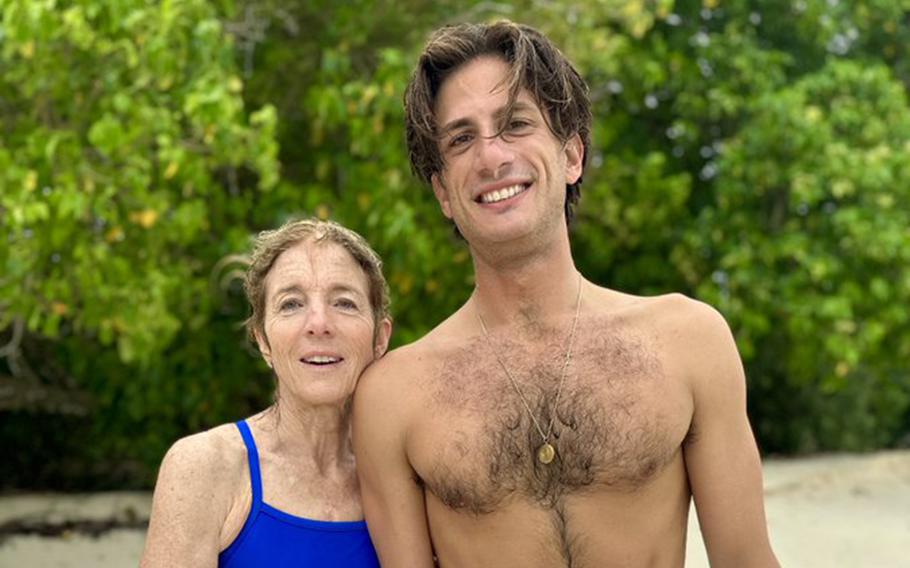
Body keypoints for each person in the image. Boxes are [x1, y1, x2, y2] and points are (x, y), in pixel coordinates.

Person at [353, 20, 779, 567]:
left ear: (572, 155)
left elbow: (746, 559)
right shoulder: (394, 396)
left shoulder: (688, 341)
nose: (490, 156)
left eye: (515, 124)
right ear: (442, 192)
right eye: (461, 138)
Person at [141, 218, 391, 568]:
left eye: (344, 303)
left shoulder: (407, 475)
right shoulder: (205, 467)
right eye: (291, 304)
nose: (319, 324)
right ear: (262, 340)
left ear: (380, 338)